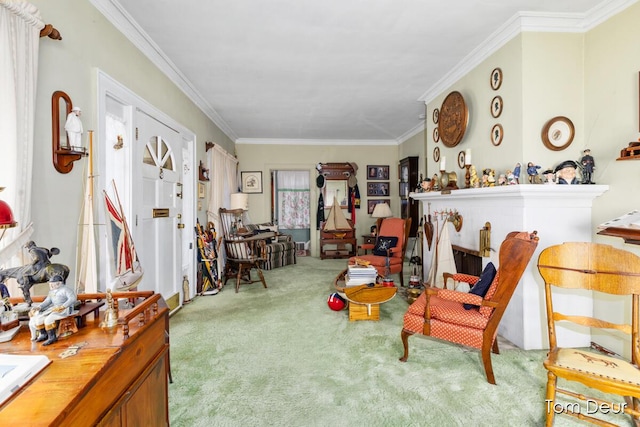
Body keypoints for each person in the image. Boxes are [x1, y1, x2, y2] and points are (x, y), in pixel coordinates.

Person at [28, 274, 77, 345]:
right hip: (54, 308)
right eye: (50, 284)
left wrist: (63, 306)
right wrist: (39, 307)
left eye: (52, 284)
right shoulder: (51, 292)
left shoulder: (66, 290)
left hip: (65, 309)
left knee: (48, 320)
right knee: (39, 319)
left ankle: (52, 337)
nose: (50, 286)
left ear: (59, 283)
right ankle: (43, 334)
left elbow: (72, 299)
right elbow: (48, 301)